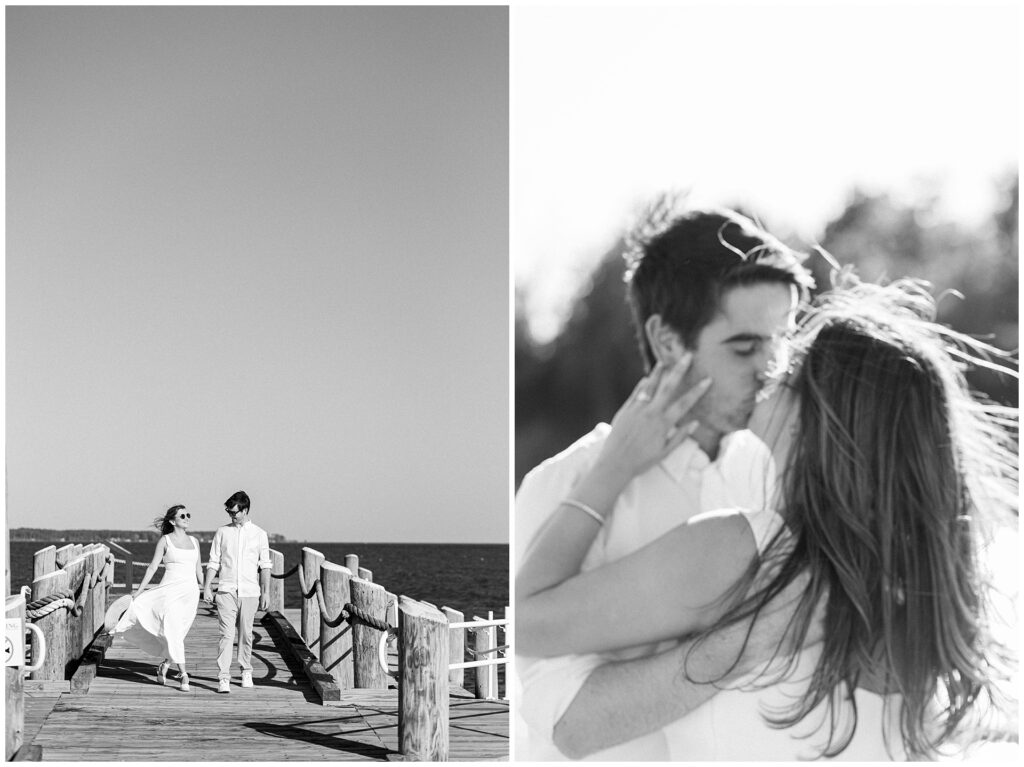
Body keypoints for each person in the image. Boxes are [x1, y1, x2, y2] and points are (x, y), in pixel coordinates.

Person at [518, 278, 1017, 759]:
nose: (768, 375)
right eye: (747, 348)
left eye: (788, 368)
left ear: (819, 419)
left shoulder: (745, 550)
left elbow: (525, 623)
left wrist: (614, 467)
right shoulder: (921, 594)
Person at [514, 203, 815, 759]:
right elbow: (566, 724)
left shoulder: (782, 467)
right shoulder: (563, 482)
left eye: (784, 340)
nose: (773, 369)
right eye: (746, 347)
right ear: (670, 341)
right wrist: (752, 640)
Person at [114, 505, 202, 692]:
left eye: (188, 514)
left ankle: (165, 664)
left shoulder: (194, 541)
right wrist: (139, 591)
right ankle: (183, 675)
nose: (187, 518)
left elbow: (199, 569)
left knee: (178, 632)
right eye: (182, 515)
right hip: (169, 591)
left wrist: (207, 589)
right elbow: (152, 567)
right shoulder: (165, 541)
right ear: (172, 521)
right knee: (173, 630)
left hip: (190, 594)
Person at [203, 490, 271, 694]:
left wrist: (266, 592)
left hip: (250, 591)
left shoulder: (260, 534)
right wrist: (207, 586)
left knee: (246, 633)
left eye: (234, 512)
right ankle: (223, 677)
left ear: (245, 510)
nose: (231, 515)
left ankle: (246, 671)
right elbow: (214, 561)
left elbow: (265, 565)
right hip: (226, 590)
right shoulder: (222, 532)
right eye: (229, 512)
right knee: (226, 634)